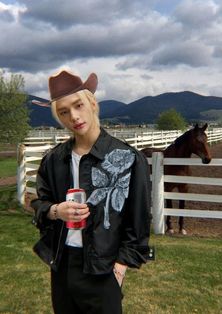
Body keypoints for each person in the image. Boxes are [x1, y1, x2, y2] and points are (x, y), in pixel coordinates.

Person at [31, 69, 152, 314]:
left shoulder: (128, 159)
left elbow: (138, 223)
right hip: (63, 266)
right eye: (64, 112)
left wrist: (119, 269)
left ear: (92, 103)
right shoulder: (53, 160)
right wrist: (56, 211)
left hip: (104, 270)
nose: (74, 116)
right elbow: (39, 204)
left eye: (78, 105)